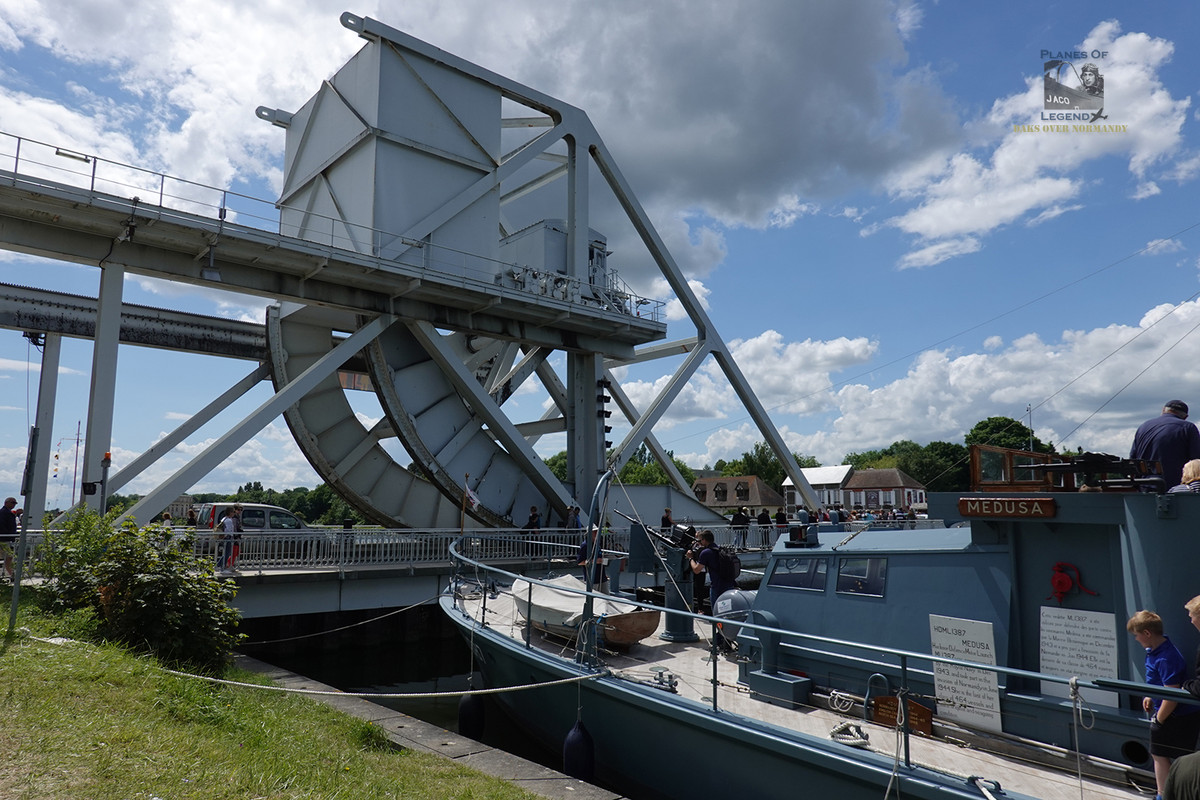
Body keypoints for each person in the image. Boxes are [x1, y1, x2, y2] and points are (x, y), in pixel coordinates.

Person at [1127, 609, 1200, 799]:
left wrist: (1158, 721)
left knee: (1160, 755)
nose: (1136, 639)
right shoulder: (1155, 651)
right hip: (1171, 713)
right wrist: (1150, 695)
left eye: (1137, 635)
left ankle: (1164, 795)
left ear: (1147, 633)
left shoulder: (1166, 657)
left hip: (1176, 715)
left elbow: (1172, 693)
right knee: (1164, 754)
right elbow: (1158, 682)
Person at [1131, 401, 1200, 490]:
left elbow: (1133, 458)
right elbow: (1196, 460)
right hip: (1174, 489)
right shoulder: (1188, 427)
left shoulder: (1143, 427)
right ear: (1185, 417)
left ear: (1163, 410)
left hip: (1145, 487)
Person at [577, 525, 609, 591]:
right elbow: (580, 562)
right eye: (594, 532)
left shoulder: (597, 544)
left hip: (601, 576)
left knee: (606, 597)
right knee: (594, 597)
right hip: (592, 578)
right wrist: (594, 561)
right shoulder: (585, 545)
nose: (597, 533)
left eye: (597, 532)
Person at [216, 505, 242, 571]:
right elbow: (229, 530)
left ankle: (218, 565)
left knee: (226, 553)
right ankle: (222, 567)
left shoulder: (224, 518)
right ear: (230, 512)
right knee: (227, 553)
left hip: (224, 538)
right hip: (228, 538)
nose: (234, 513)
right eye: (233, 512)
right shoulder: (229, 520)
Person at [0, 496, 17, 578]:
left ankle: (12, 574)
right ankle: (12, 575)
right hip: (4, 539)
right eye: (12, 502)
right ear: (6, 503)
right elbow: (2, 525)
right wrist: (9, 535)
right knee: (9, 557)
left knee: (8, 558)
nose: (14, 505)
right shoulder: (4, 513)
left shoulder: (6, 512)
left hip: (6, 538)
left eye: (15, 503)